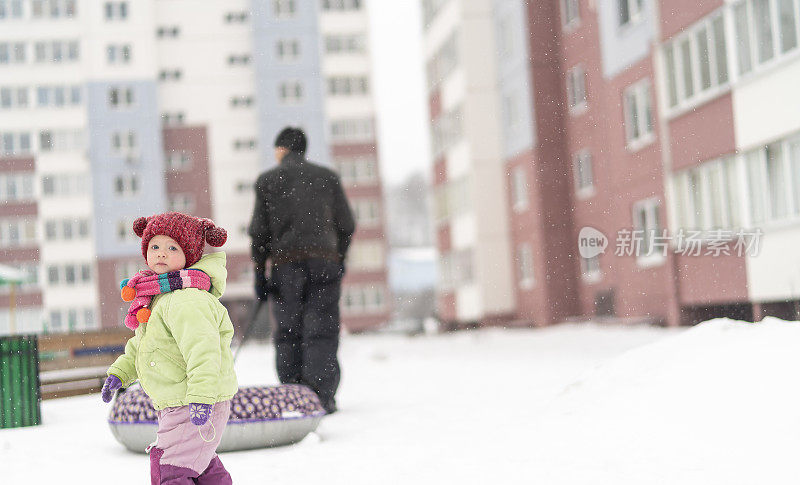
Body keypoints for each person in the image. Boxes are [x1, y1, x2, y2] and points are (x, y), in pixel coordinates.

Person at [100, 212, 238, 485]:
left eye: (172, 247)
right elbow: (144, 344)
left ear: (190, 255)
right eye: (155, 246)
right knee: (198, 463)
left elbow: (204, 351)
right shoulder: (160, 298)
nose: (161, 253)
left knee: (170, 467)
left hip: (194, 401)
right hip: (181, 401)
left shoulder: (187, 301)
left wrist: (201, 397)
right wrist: (121, 372)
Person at [248, 126, 355, 414]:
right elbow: (347, 224)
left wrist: (260, 273)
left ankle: (294, 395)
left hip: (286, 267)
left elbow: (259, 233)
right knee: (321, 329)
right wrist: (338, 259)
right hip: (324, 262)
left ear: (281, 150)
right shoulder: (328, 178)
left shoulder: (268, 181)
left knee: (289, 331)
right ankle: (321, 396)